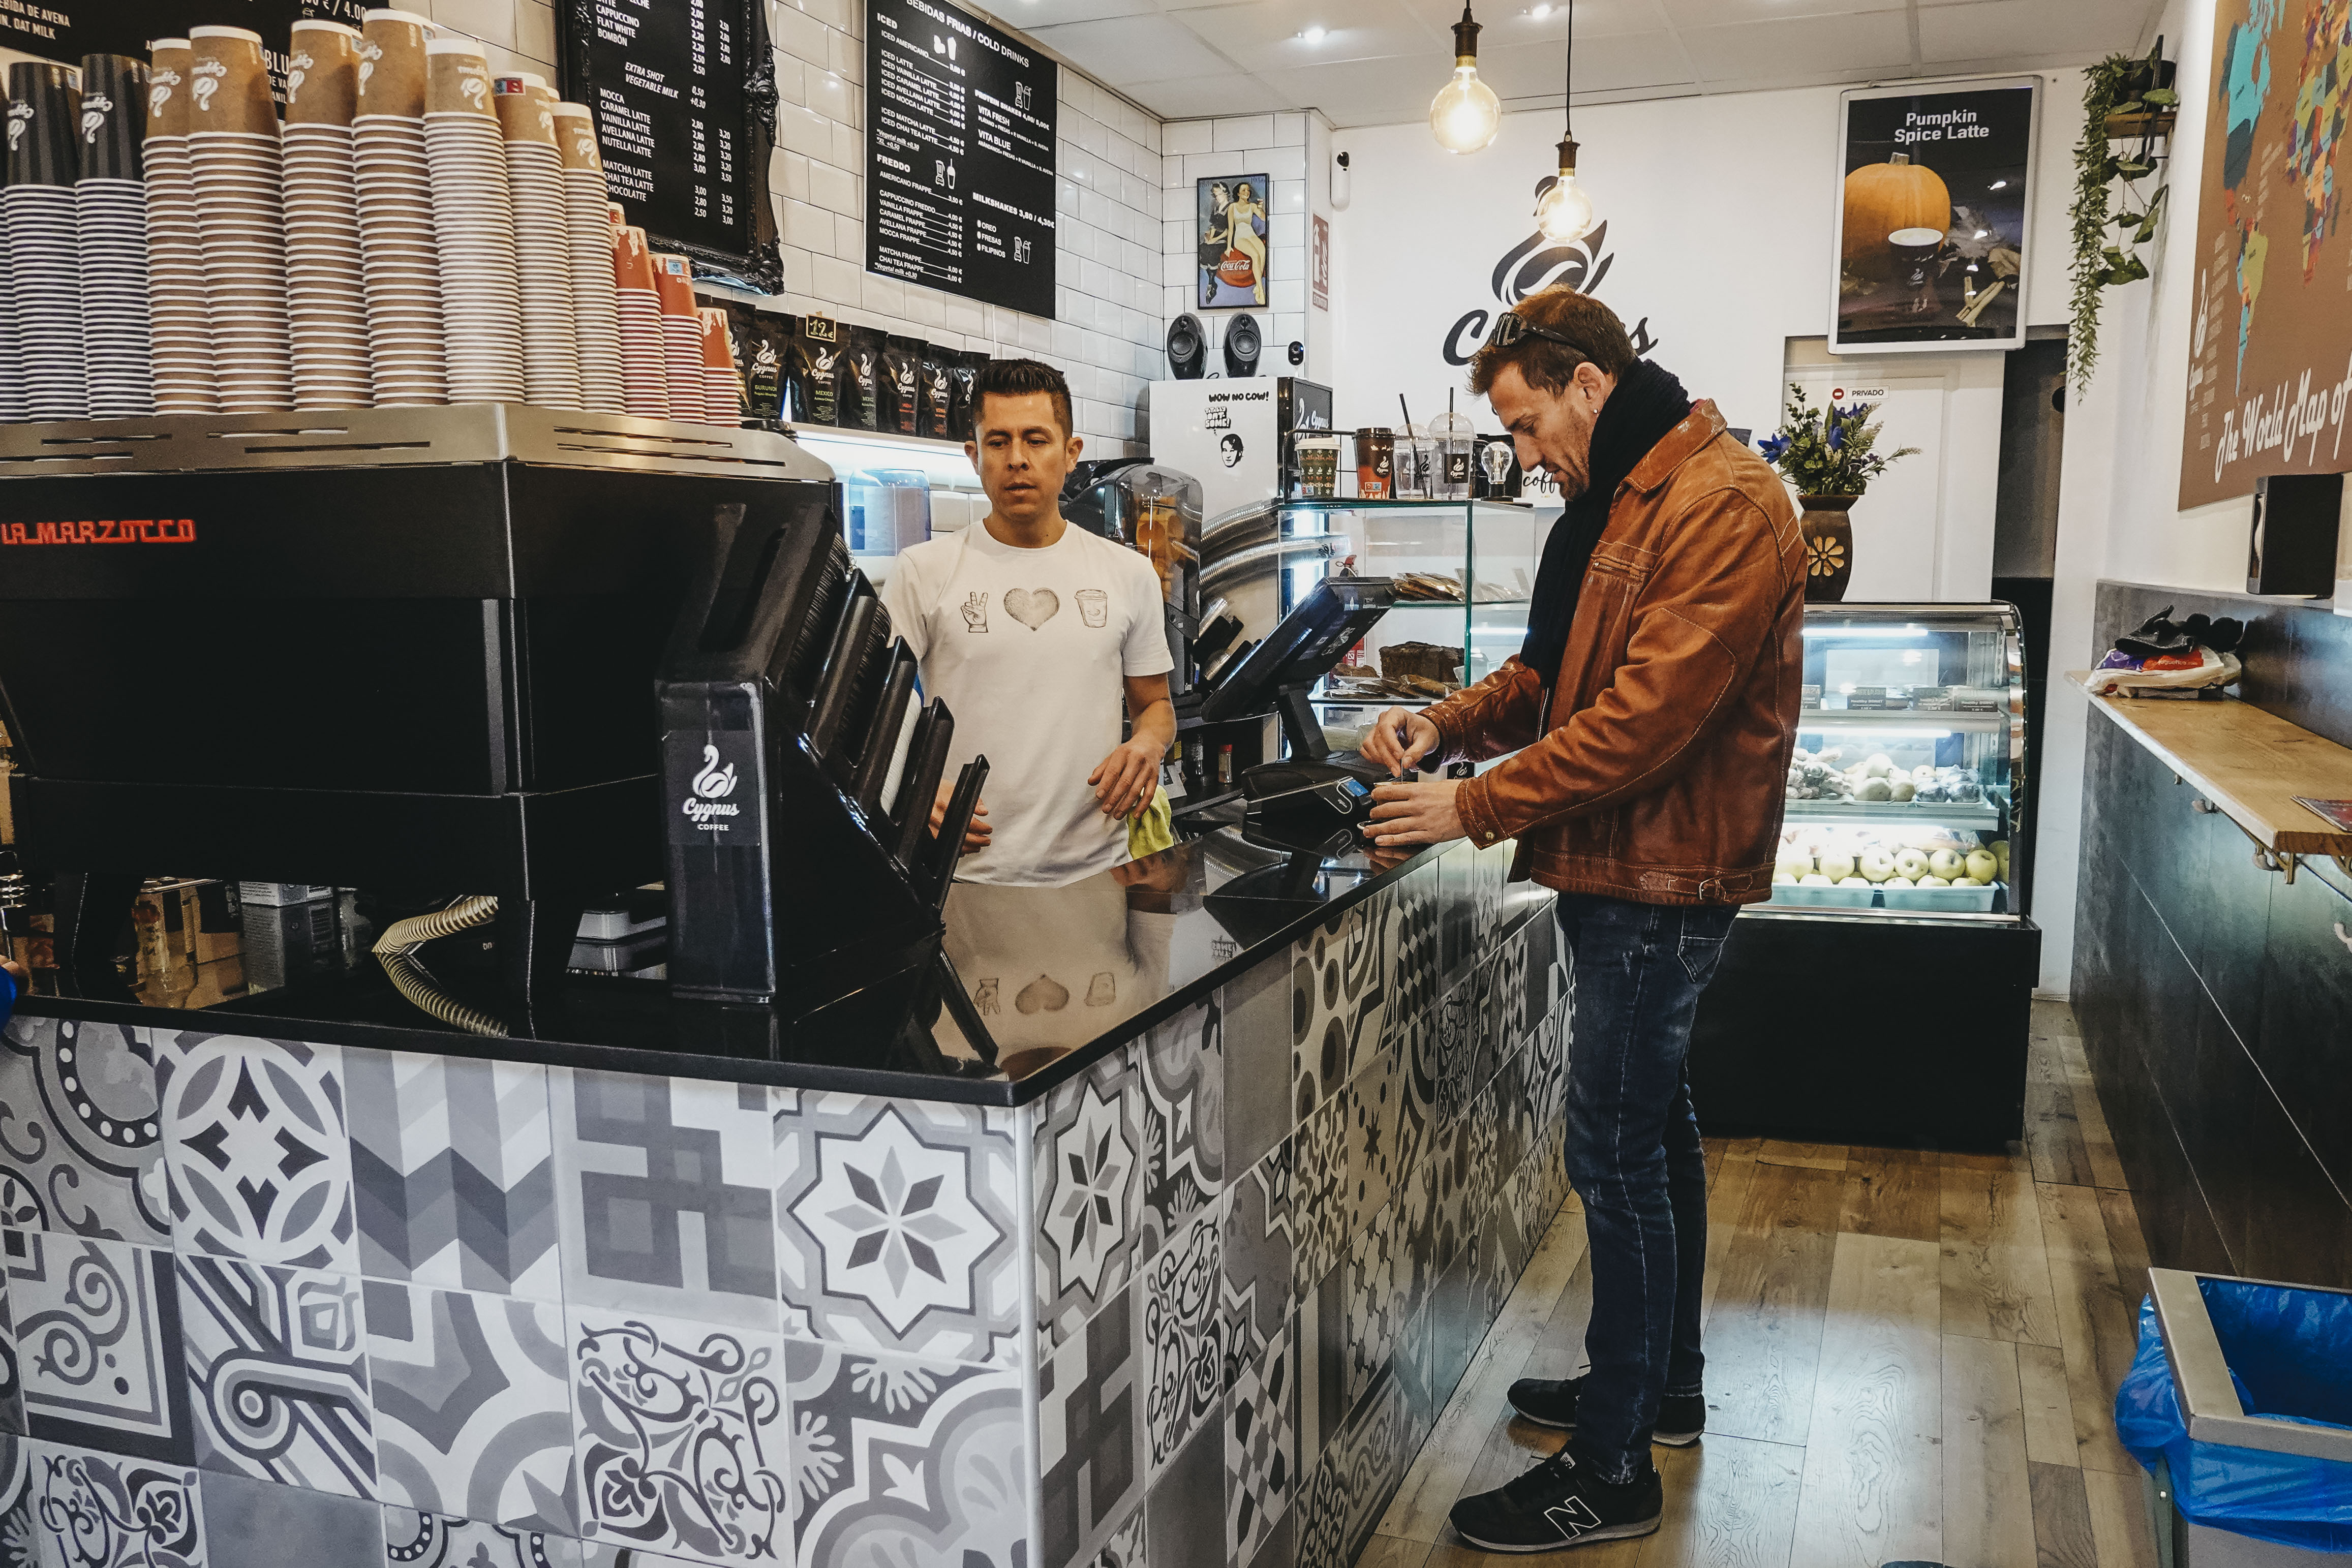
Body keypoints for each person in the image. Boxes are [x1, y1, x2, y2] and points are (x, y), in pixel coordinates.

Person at [1359, 287, 1804, 1551]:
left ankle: (1612, 1466)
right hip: (1626, 870)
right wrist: (1450, 721)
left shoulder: (1720, 503)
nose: (1523, 451)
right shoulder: (1624, 497)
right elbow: (1555, 674)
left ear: (1590, 388)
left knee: (1612, 1153)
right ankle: (1654, 1389)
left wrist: (1470, 804)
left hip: (1661, 876)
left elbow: (1643, 724)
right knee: (1652, 1133)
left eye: (1526, 421)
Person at [878, 358, 1176, 887]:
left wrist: (1148, 745)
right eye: (998, 442)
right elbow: (875, 710)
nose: (1017, 459)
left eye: (1036, 440)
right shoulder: (922, 571)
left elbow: (1154, 705)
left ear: (1071, 453)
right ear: (974, 456)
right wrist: (912, 784)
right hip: (963, 873)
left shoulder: (1128, 574)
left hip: (1096, 873)